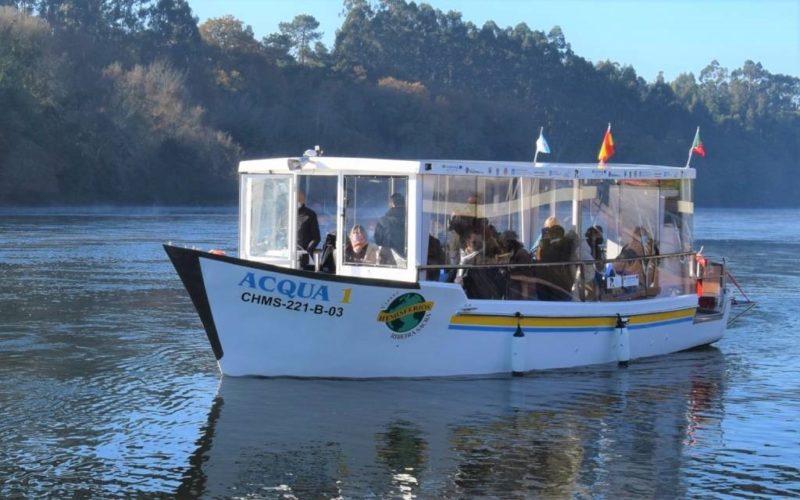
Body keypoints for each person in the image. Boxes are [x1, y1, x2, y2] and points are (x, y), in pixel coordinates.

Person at [535, 220, 576, 301]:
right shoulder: (568, 245)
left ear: (551, 235)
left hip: (547, 285)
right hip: (564, 285)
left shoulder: (549, 248)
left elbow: (540, 259)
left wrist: (544, 242)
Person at [500, 230, 535, 299]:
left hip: (520, 292)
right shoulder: (512, 253)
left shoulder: (522, 254)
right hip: (512, 289)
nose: (503, 246)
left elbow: (526, 276)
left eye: (504, 242)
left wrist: (509, 276)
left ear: (510, 242)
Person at [374, 192, 407, 258]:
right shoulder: (412, 220)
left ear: (392, 204)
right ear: (404, 203)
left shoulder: (383, 221)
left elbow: (377, 241)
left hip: (389, 259)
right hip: (409, 257)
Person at [297, 191, 320, 268]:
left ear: (303, 198)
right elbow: (280, 234)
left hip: (304, 258)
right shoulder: (286, 214)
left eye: (299, 196)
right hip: (286, 256)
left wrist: (307, 251)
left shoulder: (310, 215)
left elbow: (316, 238)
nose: (297, 198)